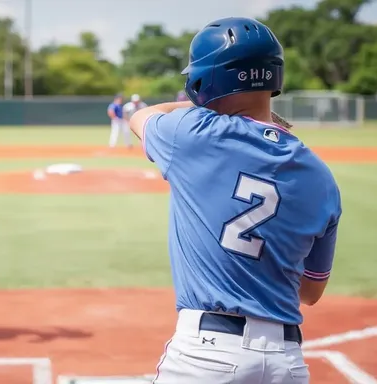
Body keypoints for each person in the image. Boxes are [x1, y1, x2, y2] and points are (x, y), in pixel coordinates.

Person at [128, 17, 341, 383]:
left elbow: (142, 116)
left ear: (207, 79)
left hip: (205, 358)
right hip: (286, 363)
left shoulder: (193, 134)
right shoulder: (321, 177)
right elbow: (310, 291)